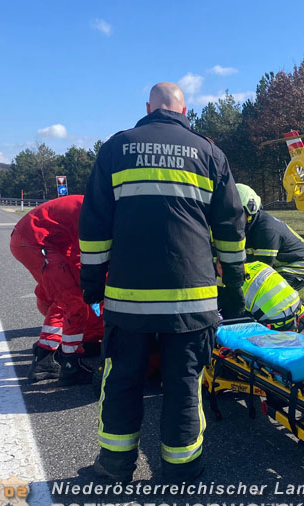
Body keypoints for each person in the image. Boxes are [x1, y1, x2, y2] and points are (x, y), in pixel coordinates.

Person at [79, 82, 246, 483]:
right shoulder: (209, 153)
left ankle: (115, 466)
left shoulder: (116, 148)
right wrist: (235, 286)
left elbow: (95, 223)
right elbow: (230, 225)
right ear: (184, 110)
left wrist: (91, 283)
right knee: (184, 383)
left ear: (148, 107)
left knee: (121, 379)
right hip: (192, 301)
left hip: (127, 301)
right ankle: (182, 468)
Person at [9, 195, 103, 385]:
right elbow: (82, 257)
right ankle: (63, 364)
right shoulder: (95, 214)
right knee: (71, 300)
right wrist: (91, 288)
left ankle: (48, 358)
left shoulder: (95, 206)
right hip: (38, 242)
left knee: (66, 299)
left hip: (38, 241)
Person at [236, 183, 304, 290]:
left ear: (251, 208)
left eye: (236, 213)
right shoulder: (248, 225)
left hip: (299, 265)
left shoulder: (266, 231)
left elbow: (261, 269)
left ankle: (292, 306)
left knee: (266, 292)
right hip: (281, 263)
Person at [217, 261, 304, 332]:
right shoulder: (258, 265)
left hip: (281, 328)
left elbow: (233, 321)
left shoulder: (235, 287)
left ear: (221, 269)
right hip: (302, 315)